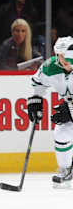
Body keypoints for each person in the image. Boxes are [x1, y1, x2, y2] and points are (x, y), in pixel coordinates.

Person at [28, 36, 73, 189]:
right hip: (70, 105)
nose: (61, 59)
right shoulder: (50, 67)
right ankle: (66, 170)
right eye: (58, 55)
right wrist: (36, 100)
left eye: (64, 56)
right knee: (61, 133)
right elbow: (39, 84)